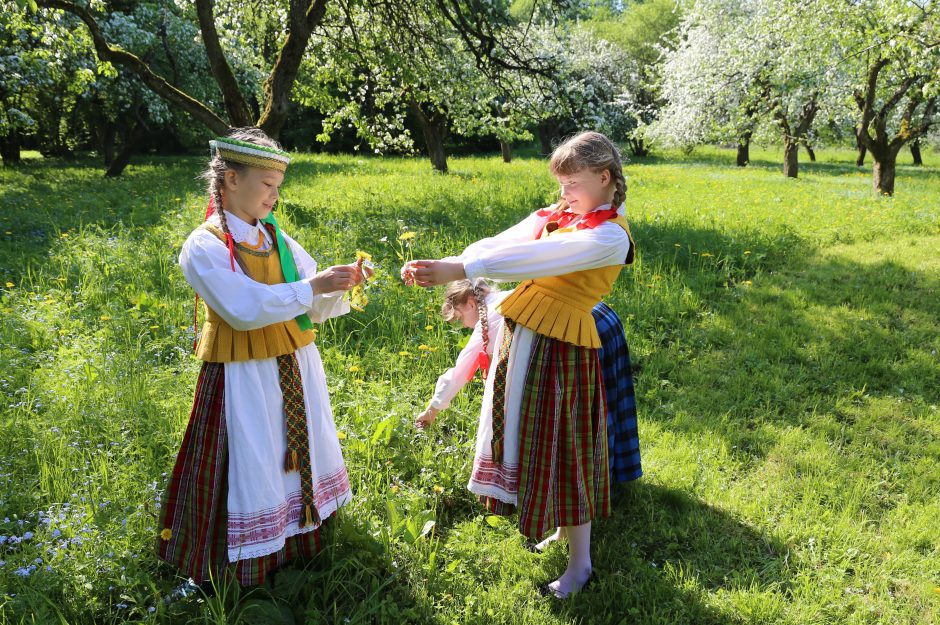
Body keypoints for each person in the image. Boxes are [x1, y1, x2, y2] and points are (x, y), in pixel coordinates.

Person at [402, 131, 636, 598]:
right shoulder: (562, 217)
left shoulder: (609, 236)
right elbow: (510, 238)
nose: (563, 193)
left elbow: (534, 258)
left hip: (561, 348)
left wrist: (460, 270)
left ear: (604, 177)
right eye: (561, 183)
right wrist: (454, 262)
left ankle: (580, 563)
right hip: (527, 337)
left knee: (565, 448)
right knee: (533, 441)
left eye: (572, 183)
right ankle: (561, 530)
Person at [157, 128, 367, 586]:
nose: (275, 196)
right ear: (231, 180)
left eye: (278, 187)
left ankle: (296, 544)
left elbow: (311, 302)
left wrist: (340, 285)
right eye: (267, 185)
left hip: (293, 364)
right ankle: (227, 570)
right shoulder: (204, 245)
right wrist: (313, 286)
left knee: (292, 451)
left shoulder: (277, 238)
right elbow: (243, 308)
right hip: (241, 374)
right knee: (248, 458)